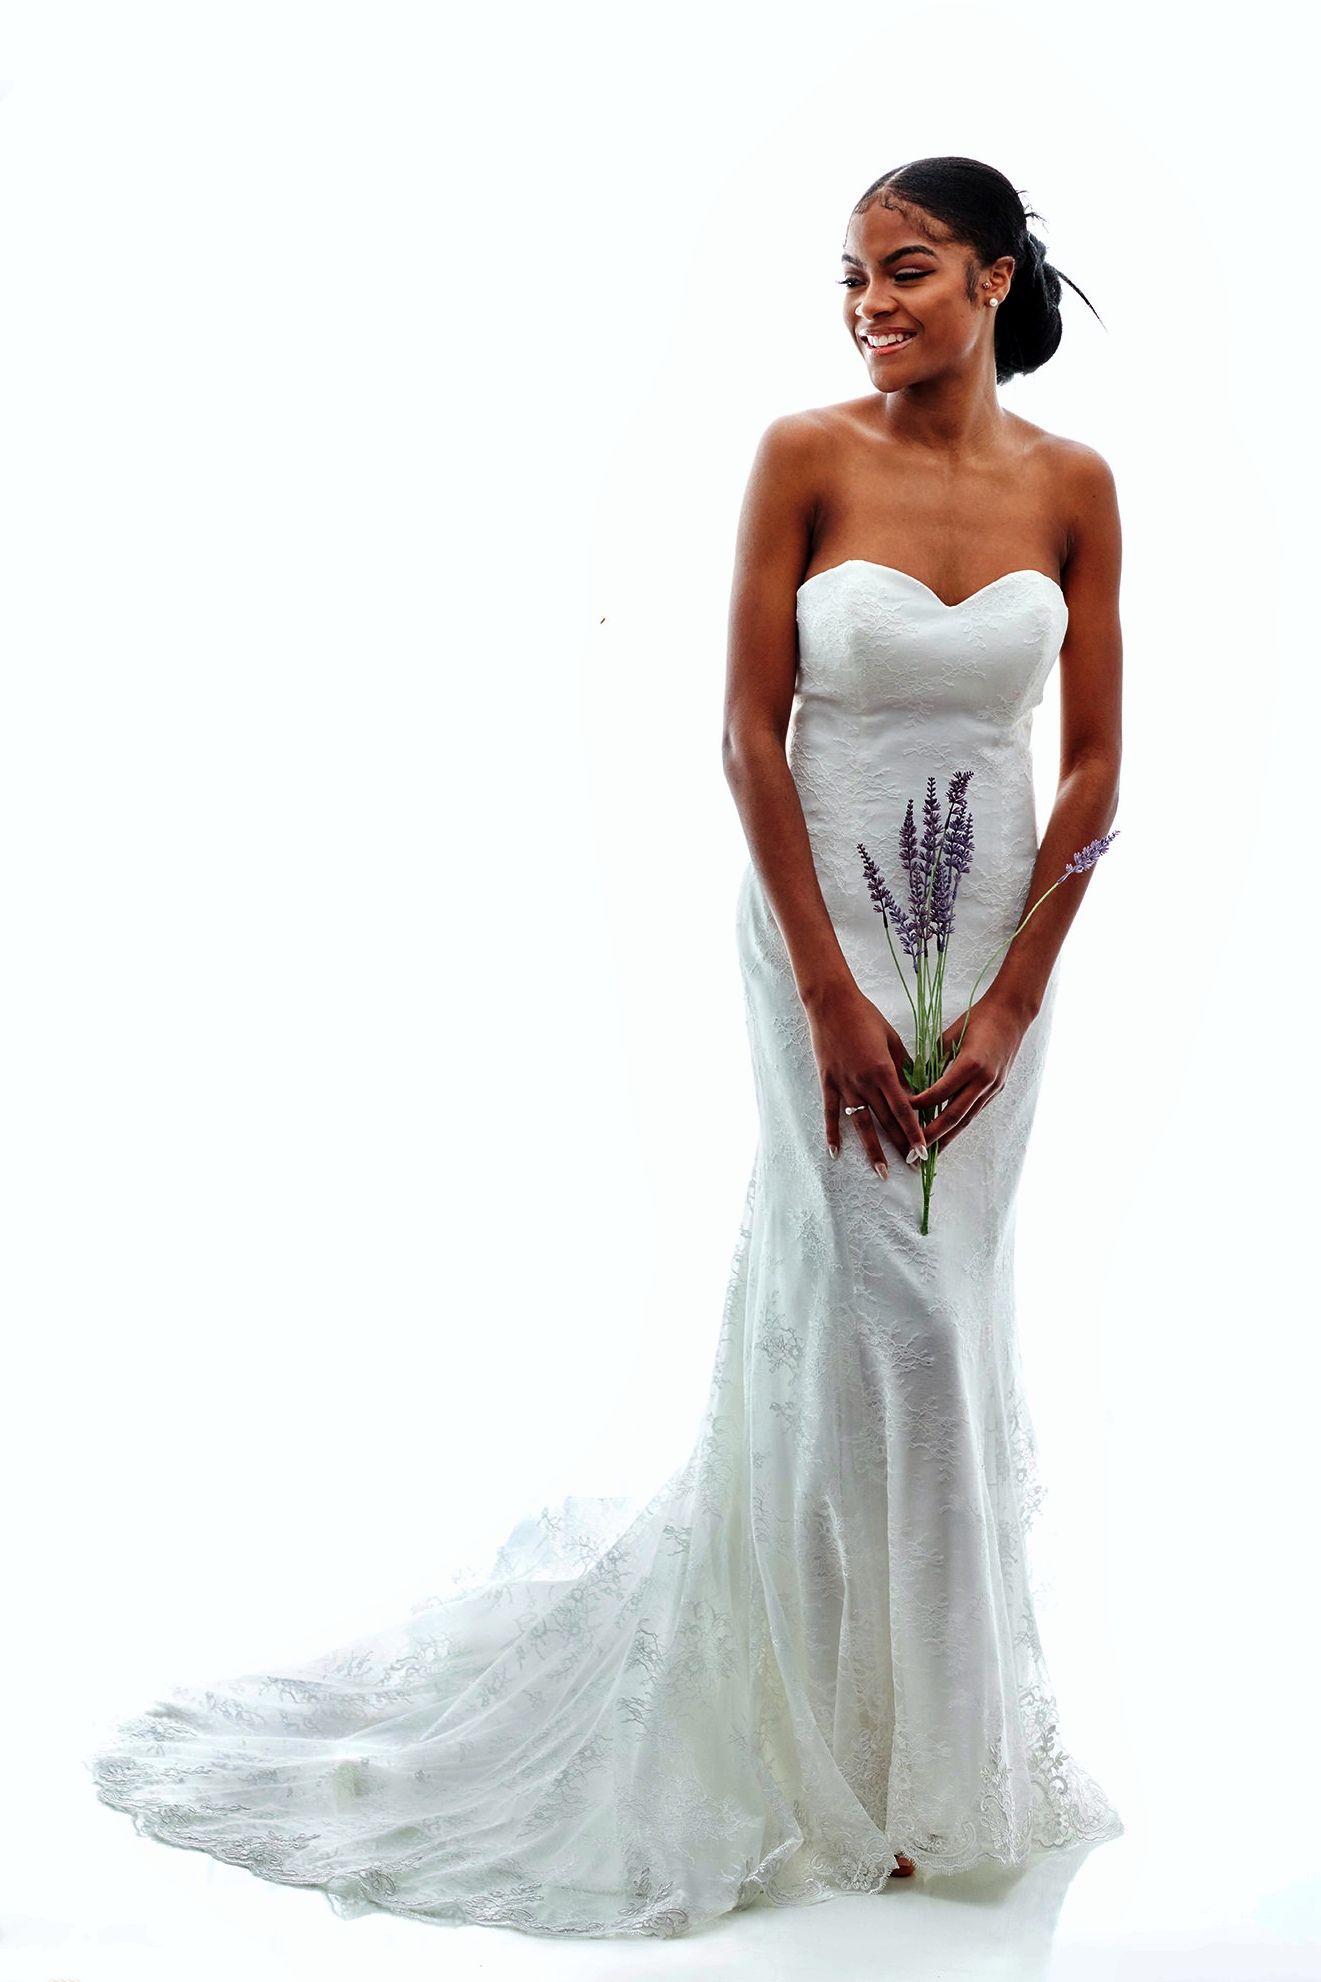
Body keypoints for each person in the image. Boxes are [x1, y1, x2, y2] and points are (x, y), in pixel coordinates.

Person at [87, 154, 1124, 1939]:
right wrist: (817, 983)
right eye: (851, 277)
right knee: (894, 1312)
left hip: (993, 938)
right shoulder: (805, 456)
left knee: (941, 1311)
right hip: (824, 928)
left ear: (997, 277)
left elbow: (1096, 767)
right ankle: (870, 1767)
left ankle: (911, 1744)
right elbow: (744, 726)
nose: (871, 303)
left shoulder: (1078, 487)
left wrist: (1019, 990)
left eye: (908, 270)